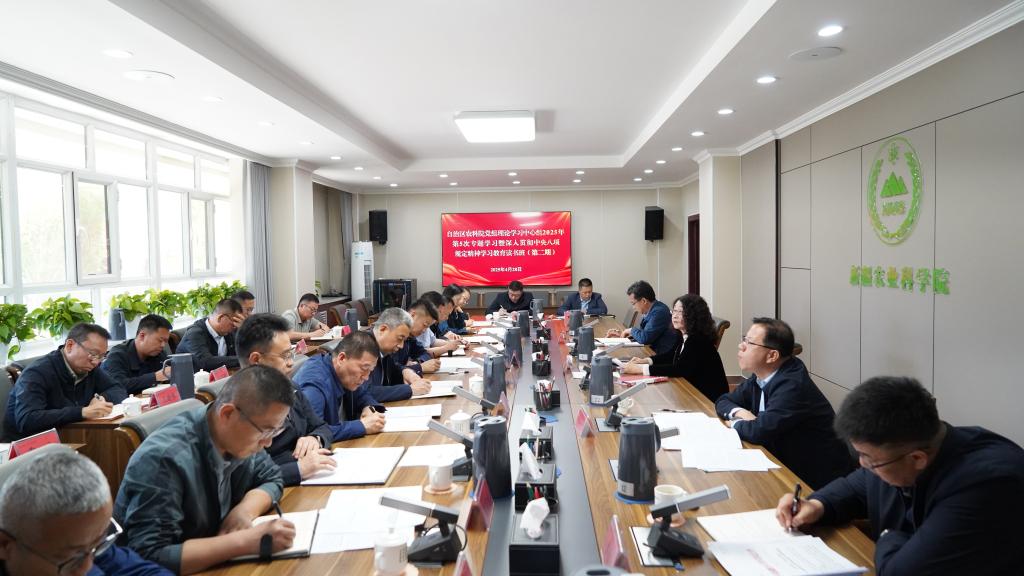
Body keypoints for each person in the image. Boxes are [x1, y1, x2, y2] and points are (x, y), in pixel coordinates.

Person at [776, 376, 1024, 574]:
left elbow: (901, 570)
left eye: (868, 458)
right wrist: (817, 505)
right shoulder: (902, 448)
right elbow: (857, 486)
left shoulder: (987, 484)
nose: (862, 465)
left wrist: (889, 535)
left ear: (917, 459)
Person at [114, 366, 296, 575]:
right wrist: (246, 541)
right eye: (266, 431)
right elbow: (149, 556)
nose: (268, 442)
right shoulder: (163, 458)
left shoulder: (239, 437)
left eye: (275, 430)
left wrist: (244, 511)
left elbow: (272, 478)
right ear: (227, 413)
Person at [715, 318, 854, 488]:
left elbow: (759, 431)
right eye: (744, 339)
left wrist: (735, 423)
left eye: (749, 342)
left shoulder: (793, 385)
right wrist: (741, 413)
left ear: (772, 355)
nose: (741, 346)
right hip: (782, 460)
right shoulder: (762, 374)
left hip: (814, 481)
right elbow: (723, 401)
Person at [0, 447, 172, 576]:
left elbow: (139, 570)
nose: (87, 567)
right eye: (71, 559)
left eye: (98, 544)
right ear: (5, 545)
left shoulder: (82, 541)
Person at [236, 314, 336, 486]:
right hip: (278, 489)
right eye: (285, 356)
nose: (291, 363)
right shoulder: (238, 408)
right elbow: (244, 477)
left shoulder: (290, 387)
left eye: (291, 354)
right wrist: (299, 469)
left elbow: (321, 426)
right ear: (256, 360)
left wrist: (314, 438)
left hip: (310, 479)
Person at [3, 323, 127, 441]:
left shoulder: (89, 368)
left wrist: (101, 398)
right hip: (27, 446)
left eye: (101, 356)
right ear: (70, 345)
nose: (96, 362)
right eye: (93, 354)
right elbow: (27, 419)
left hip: (71, 435)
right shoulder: (37, 373)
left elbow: (118, 389)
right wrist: (82, 412)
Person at [621, 294, 727, 401]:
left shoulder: (698, 340)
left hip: (707, 398)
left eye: (680, 312)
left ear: (694, 316)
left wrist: (641, 369)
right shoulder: (684, 334)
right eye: (674, 311)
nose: (675, 316)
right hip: (691, 389)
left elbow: (680, 369)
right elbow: (671, 355)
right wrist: (646, 361)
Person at [293, 331, 385, 442]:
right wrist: (362, 426)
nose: (366, 377)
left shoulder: (342, 372)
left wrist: (368, 407)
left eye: (370, 371)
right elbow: (313, 433)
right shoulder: (315, 385)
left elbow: (361, 393)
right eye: (364, 368)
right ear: (342, 358)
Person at [363, 308, 431, 402]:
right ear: (383, 329)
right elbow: (364, 392)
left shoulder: (384, 350)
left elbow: (394, 370)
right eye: (400, 338)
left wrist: (405, 372)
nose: (401, 346)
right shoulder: (362, 347)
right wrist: (409, 390)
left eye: (404, 340)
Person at [102, 314, 172, 395]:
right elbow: (119, 386)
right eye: (160, 340)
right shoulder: (117, 355)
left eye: (165, 341)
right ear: (142, 336)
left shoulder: (159, 354)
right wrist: (155, 377)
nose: (163, 345)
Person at [605, 280, 678, 355]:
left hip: (660, 356)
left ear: (644, 301)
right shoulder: (653, 309)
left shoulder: (659, 312)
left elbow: (645, 338)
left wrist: (631, 330)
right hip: (651, 351)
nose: (633, 307)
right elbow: (645, 334)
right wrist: (624, 335)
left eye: (633, 303)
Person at [175, 298, 241, 372]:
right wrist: (242, 359)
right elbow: (206, 362)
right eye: (234, 322)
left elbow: (241, 352)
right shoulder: (194, 333)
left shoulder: (227, 331)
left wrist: (243, 329)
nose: (235, 326)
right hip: (191, 377)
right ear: (220, 318)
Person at [392, 299, 440, 374]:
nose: (424, 330)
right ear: (412, 315)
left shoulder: (410, 336)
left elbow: (424, 353)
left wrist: (417, 362)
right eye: (424, 325)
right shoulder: (392, 333)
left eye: (427, 327)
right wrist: (420, 367)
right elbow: (391, 371)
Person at [417, 292, 460, 358]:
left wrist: (453, 343)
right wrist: (446, 348)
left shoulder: (428, 323)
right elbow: (421, 353)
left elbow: (433, 341)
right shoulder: (419, 324)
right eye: (440, 311)